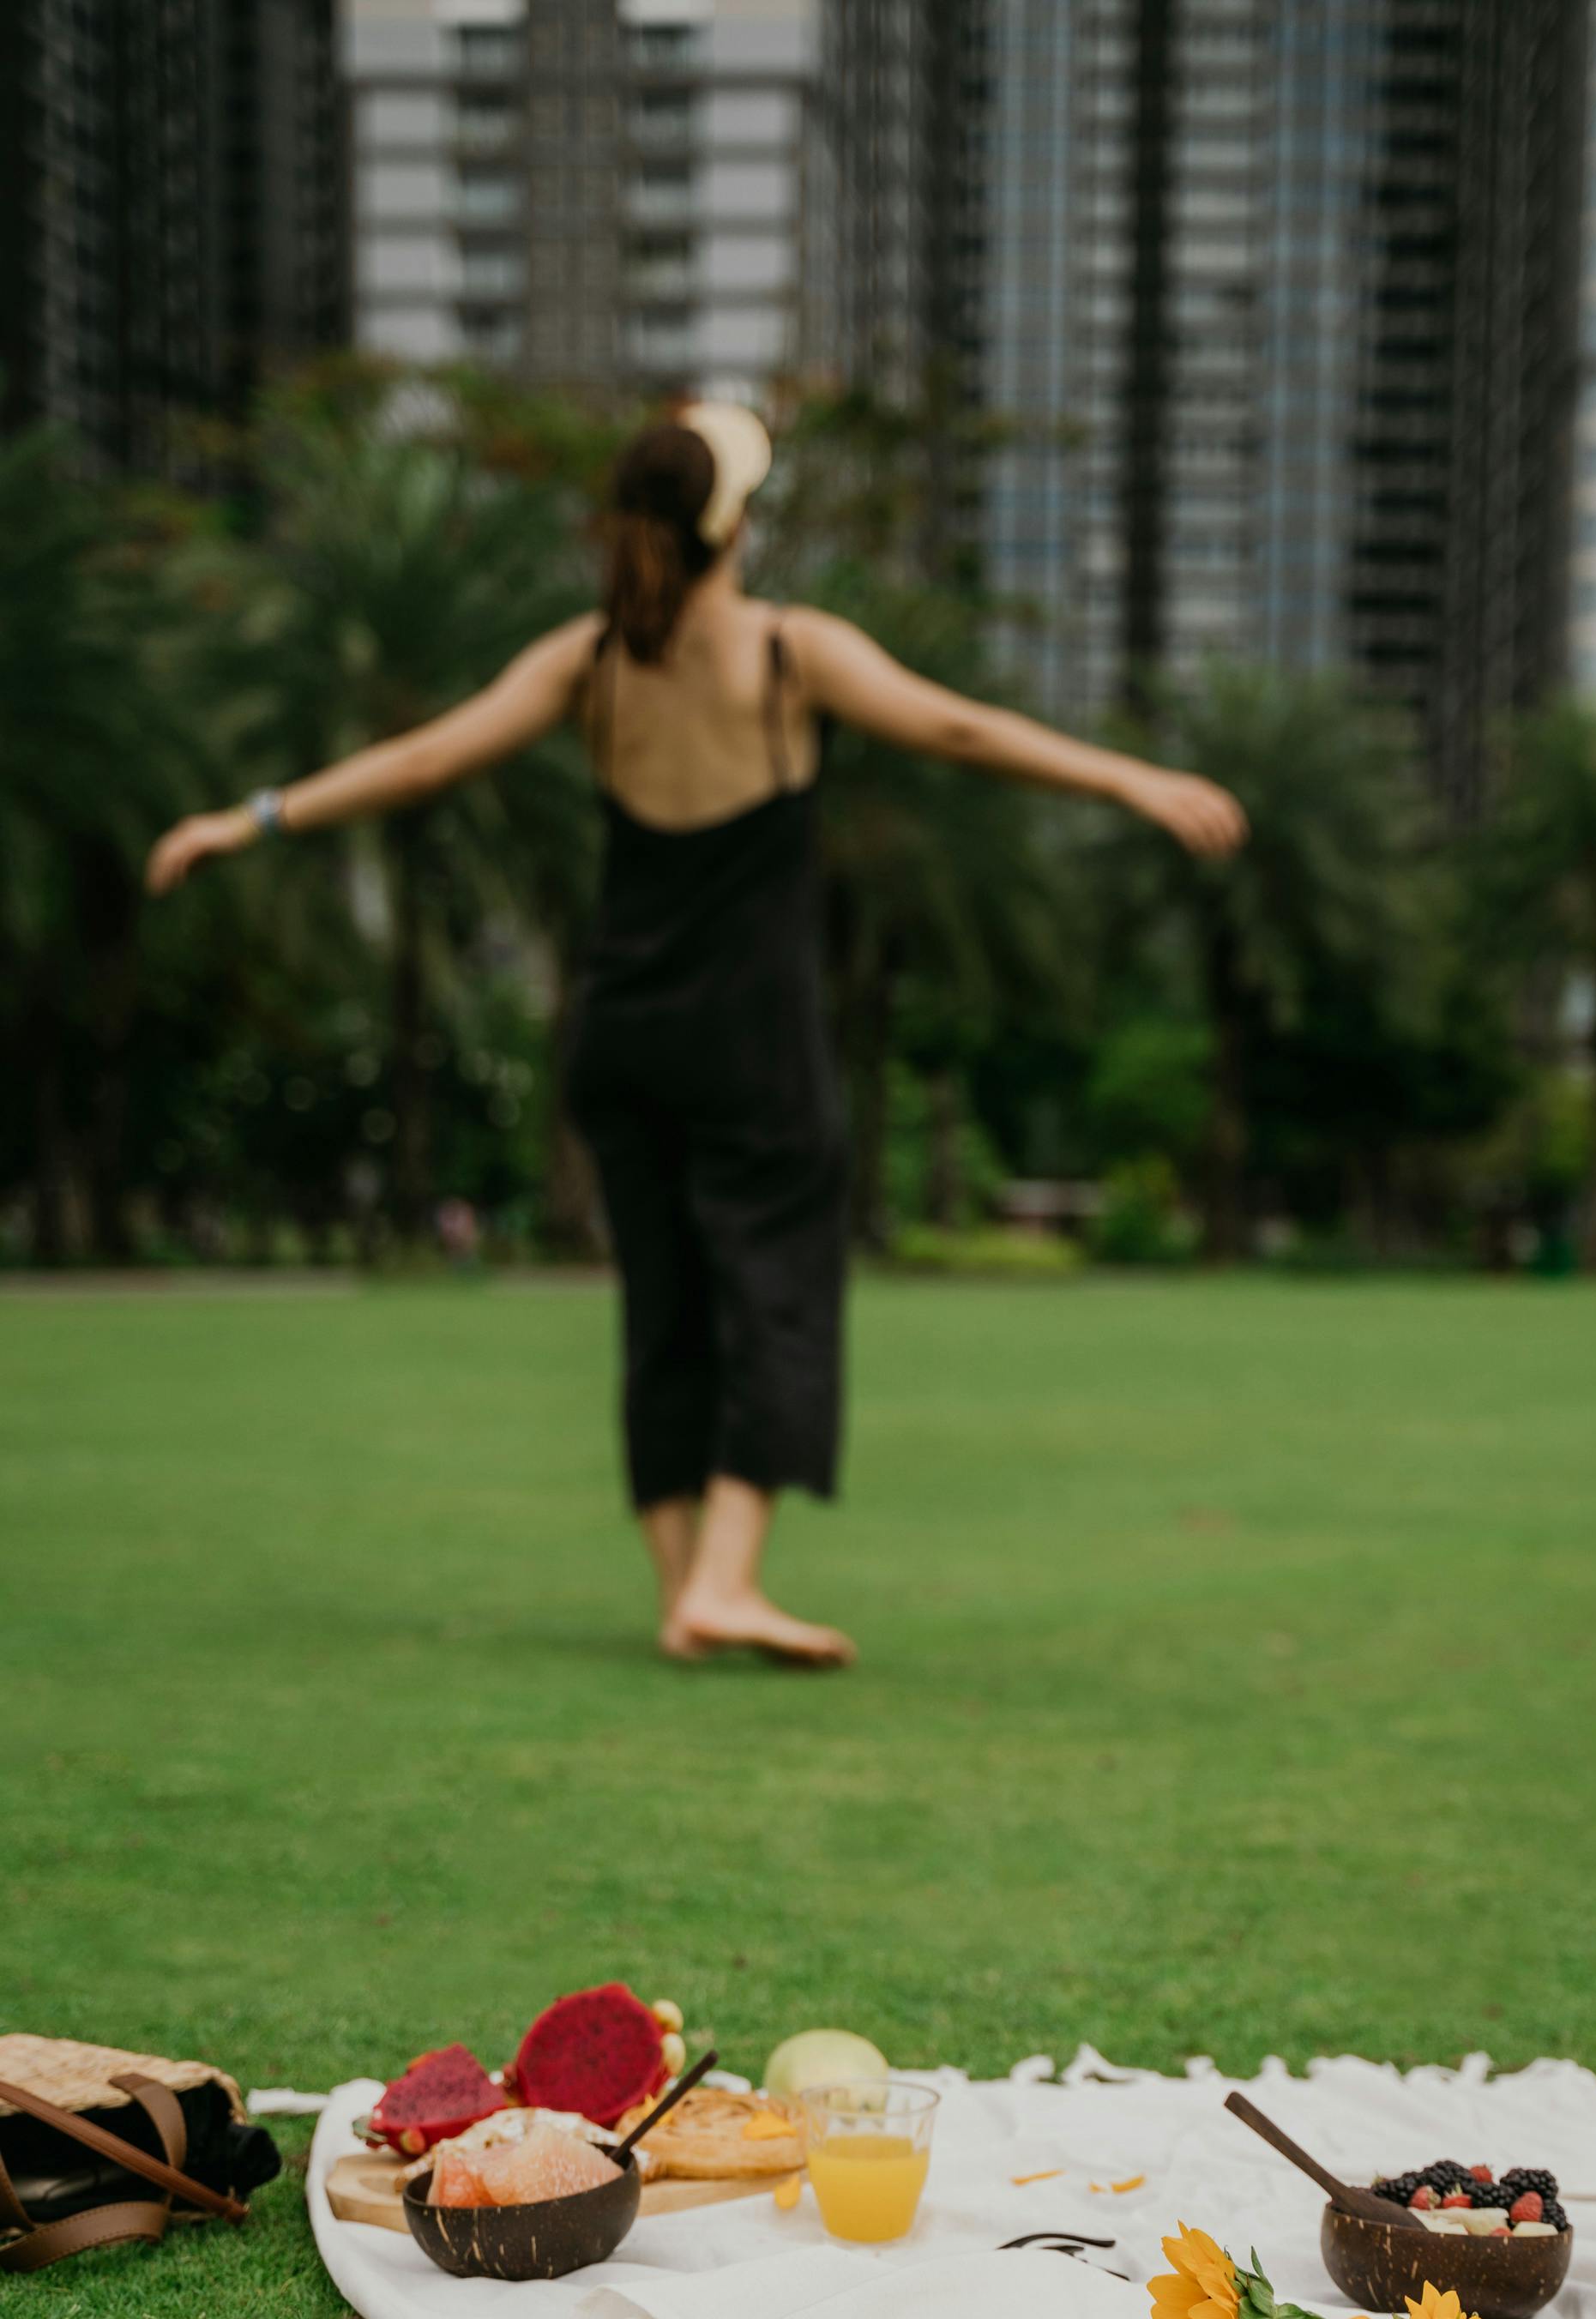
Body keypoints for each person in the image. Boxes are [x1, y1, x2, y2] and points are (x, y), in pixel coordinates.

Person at [148, 402, 1247, 1669]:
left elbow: (425, 760)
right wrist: (1129, 778)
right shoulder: (789, 654)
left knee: (661, 1300)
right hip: (752, 1038)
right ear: (733, 529)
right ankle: (725, 1581)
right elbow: (956, 729)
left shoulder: (589, 660)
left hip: (619, 1029)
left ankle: (681, 1593)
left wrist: (255, 816)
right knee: (776, 1286)